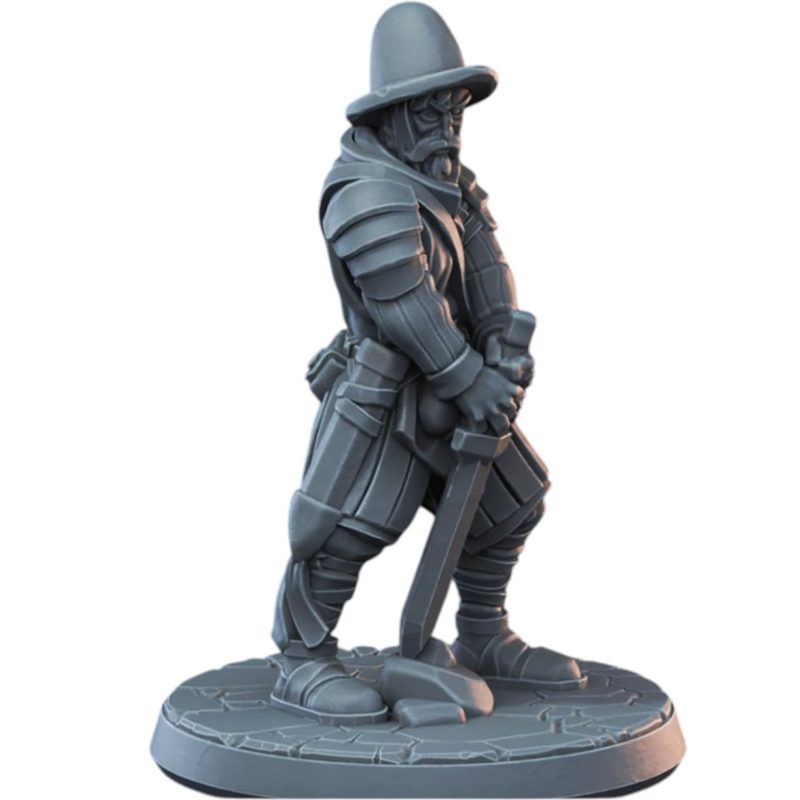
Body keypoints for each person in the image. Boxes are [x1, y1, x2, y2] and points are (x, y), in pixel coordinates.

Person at [270, 2, 581, 724]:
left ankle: (483, 634)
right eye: (428, 111)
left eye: (453, 110)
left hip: (465, 384)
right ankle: (301, 658)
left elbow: (487, 269)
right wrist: (469, 377)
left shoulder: (451, 182)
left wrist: (500, 346)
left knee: (509, 503)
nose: (447, 126)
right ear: (390, 115)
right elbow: (405, 301)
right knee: (344, 529)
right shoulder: (364, 190)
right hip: (387, 392)